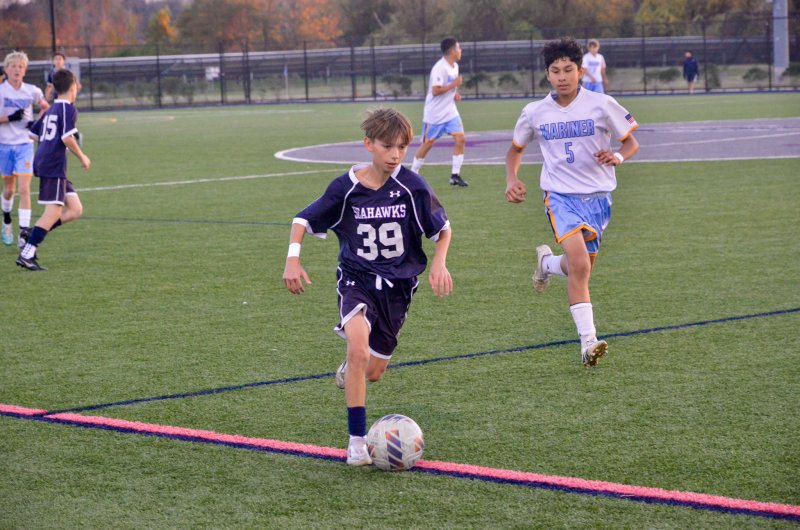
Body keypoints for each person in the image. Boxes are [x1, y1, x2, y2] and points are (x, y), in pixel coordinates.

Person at [283, 108, 453, 465]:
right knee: (359, 350)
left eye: (402, 148)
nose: (394, 155)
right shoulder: (346, 188)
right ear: (368, 144)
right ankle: (357, 443)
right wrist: (292, 260)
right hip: (356, 279)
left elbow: (442, 228)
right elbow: (302, 219)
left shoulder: (412, 187)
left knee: (372, 371)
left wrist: (439, 262)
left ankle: (353, 367)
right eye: (387, 146)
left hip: (398, 287)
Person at [504, 37, 639, 367]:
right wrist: (512, 178)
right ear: (547, 75)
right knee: (579, 265)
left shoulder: (602, 104)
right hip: (560, 197)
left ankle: (547, 264)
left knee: (580, 269)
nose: (562, 76)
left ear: (580, 71)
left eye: (568, 70)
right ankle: (588, 342)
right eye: (555, 70)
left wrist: (618, 156)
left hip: (599, 200)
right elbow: (515, 150)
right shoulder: (535, 112)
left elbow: (631, 141)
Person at [16, 69, 89, 271]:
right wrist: (82, 156)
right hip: (53, 165)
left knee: (75, 209)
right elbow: (66, 138)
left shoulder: (51, 109)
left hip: (47, 162)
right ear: (73, 88)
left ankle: (35, 233)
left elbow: (33, 134)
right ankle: (27, 253)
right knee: (52, 212)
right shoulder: (68, 109)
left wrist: (49, 143)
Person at [1, 51, 50, 247]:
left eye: (20, 66)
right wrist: (10, 118)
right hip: (4, 145)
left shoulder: (32, 90)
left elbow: (45, 106)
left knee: (24, 189)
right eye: (13, 66)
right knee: (9, 190)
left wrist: (36, 123)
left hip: (24, 145)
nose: (17, 69)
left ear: (25, 70)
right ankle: (6, 218)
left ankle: (23, 233)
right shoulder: (1, 91)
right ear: (6, 69)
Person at [410, 37, 468, 187]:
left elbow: (447, 87)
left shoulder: (454, 66)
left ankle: (455, 175)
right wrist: (453, 85)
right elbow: (435, 91)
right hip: (434, 115)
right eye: (459, 48)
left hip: (450, 112)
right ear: (452, 51)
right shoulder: (439, 68)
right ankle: (413, 174)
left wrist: (454, 93)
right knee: (427, 145)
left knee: (460, 139)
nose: (460, 51)